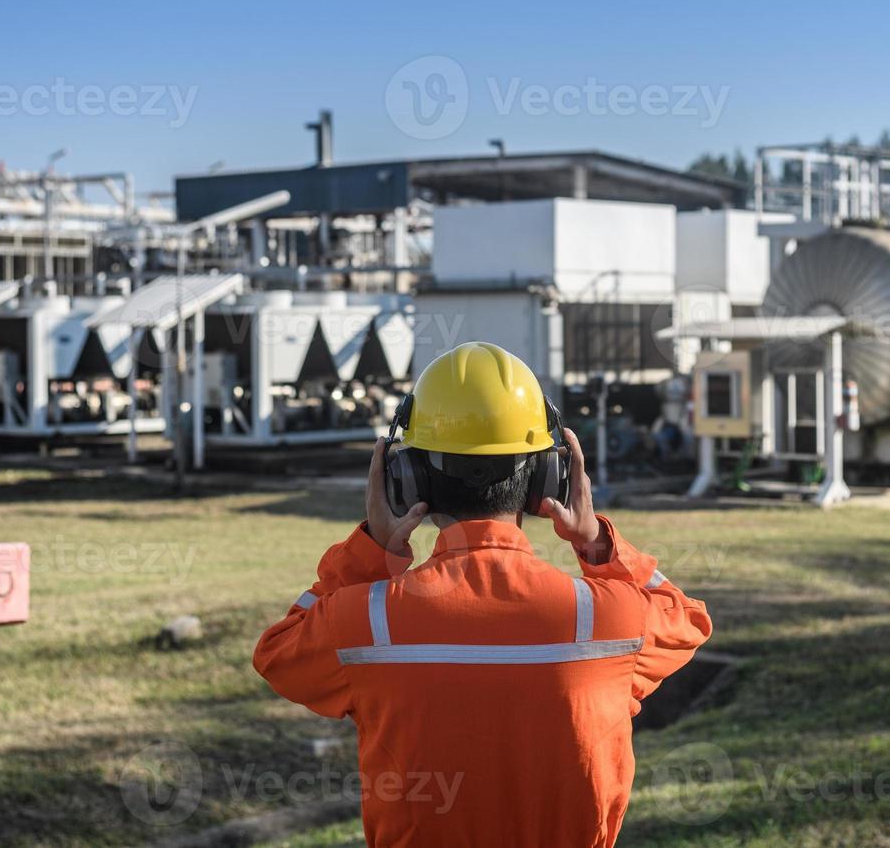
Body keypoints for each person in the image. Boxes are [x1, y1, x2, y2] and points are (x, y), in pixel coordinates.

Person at [253, 342, 712, 847]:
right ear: (549, 479)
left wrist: (371, 549)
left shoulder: (367, 624)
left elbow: (277, 653)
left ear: (406, 479)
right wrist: (596, 542)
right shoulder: (609, 620)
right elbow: (688, 619)